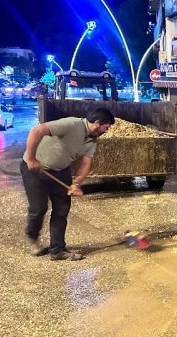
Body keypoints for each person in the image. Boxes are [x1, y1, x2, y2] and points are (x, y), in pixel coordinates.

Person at [20, 108, 115, 261]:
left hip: (61, 171)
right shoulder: (71, 124)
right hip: (36, 169)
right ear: (97, 123)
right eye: (107, 126)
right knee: (39, 208)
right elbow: (37, 130)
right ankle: (32, 236)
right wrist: (31, 158)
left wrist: (76, 183)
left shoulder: (92, 140)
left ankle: (57, 250)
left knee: (62, 209)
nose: (107, 130)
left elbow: (85, 164)